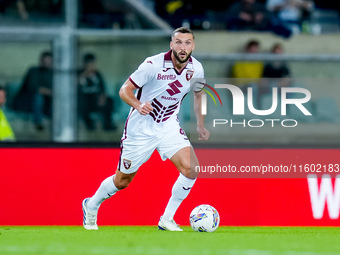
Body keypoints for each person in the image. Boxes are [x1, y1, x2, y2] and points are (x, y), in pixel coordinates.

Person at [82, 27, 210, 231]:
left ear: (193, 46)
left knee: (191, 168)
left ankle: (167, 219)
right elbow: (125, 89)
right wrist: (138, 104)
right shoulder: (153, 64)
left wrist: (200, 124)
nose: (183, 47)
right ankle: (91, 205)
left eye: (187, 42)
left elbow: (198, 95)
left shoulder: (197, 69)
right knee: (122, 181)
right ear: (171, 45)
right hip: (141, 129)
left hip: (168, 125)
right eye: (178, 42)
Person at [14, 51, 53, 131]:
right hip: (28, 102)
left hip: (46, 104)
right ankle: (38, 122)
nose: (47, 63)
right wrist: (50, 92)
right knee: (38, 97)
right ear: (41, 61)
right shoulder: (33, 71)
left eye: (49, 61)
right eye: (45, 61)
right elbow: (33, 88)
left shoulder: (53, 73)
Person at [78, 53, 116, 131]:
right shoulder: (79, 74)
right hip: (85, 98)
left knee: (109, 101)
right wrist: (85, 74)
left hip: (96, 98)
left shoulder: (97, 74)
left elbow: (103, 89)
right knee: (82, 102)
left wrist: (102, 97)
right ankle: (89, 123)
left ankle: (107, 123)